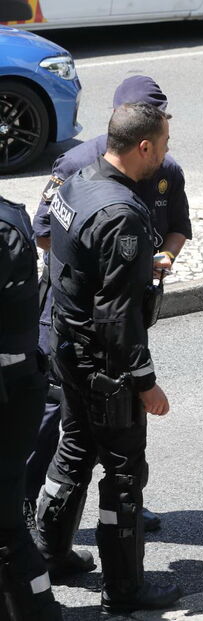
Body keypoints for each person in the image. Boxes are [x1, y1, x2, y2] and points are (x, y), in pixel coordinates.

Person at [34, 103, 182, 613]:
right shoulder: (122, 215)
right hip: (106, 368)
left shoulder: (77, 182)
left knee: (73, 449)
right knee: (123, 474)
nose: (165, 154)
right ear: (143, 146)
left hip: (67, 348)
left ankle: (50, 553)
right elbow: (118, 316)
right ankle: (124, 589)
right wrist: (146, 383)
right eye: (163, 145)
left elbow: (71, 266)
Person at [0, 195, 62, 620]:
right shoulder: (7, 217)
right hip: (18, 387)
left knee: (6, 529)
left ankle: (40, 612)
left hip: (9, 395)